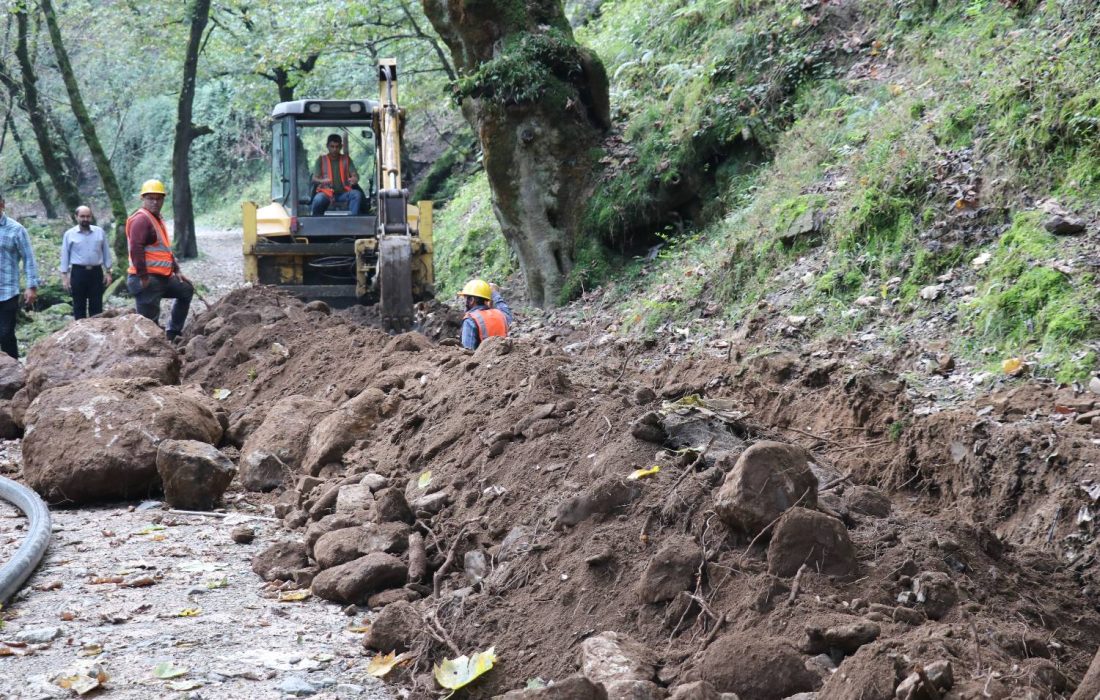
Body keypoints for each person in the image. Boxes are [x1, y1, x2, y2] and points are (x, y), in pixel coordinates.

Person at [125, 179, 193, 341]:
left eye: (158, 198)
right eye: (151, 198)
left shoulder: (156, 219)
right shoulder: (141, 220)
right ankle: (152, 352)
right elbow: (136, 249)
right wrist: (143, 277)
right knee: (149, 325)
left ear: (163, 199)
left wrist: (177, 270)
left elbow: (165, 250)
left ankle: (173, 334)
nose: (155, 202)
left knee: (186, 290)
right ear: (143, 199)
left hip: (161, 278)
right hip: (146, 279)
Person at [0, 192, 39, 359]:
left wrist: (31, 286)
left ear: (2, 204)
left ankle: (13, 370)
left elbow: (28, 258)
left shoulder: (16, 229)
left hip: (8, 290)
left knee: (6, 332)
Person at [60, 205, 113, 319]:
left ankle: (97, 331)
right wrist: (64, 276)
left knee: (97, 305)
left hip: (96, 272)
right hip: (78, 272)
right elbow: (65, 255)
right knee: (79, 305)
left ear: (91, 217)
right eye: (82, 216)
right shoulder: (69, 234)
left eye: (88, 216)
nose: (85, 219)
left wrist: (108, 271)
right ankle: (80, 333)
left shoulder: (100, 232)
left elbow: (106, 253)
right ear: (76, 217)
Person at [311, 133, 363, 216]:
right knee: (318, 199)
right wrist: (322, 180)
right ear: (327, 146)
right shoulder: (321, 160)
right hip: (326, 193)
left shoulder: (346, 159)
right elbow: (314, 179)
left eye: (337, 147)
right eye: (332, 146)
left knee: (357, 194)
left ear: (341, 147)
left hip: (344, 193)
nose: (334, 149)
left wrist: (355, 179)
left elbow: (355, 175)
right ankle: (315, 221)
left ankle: (353, 221)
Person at [458, 279, 512, 350]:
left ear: (471, 300)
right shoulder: (501, 314)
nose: (464, 302)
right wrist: (494, 293)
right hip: (505, 358)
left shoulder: (470, 320)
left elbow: (467, 352)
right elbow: (504, 308)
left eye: (465, 298)